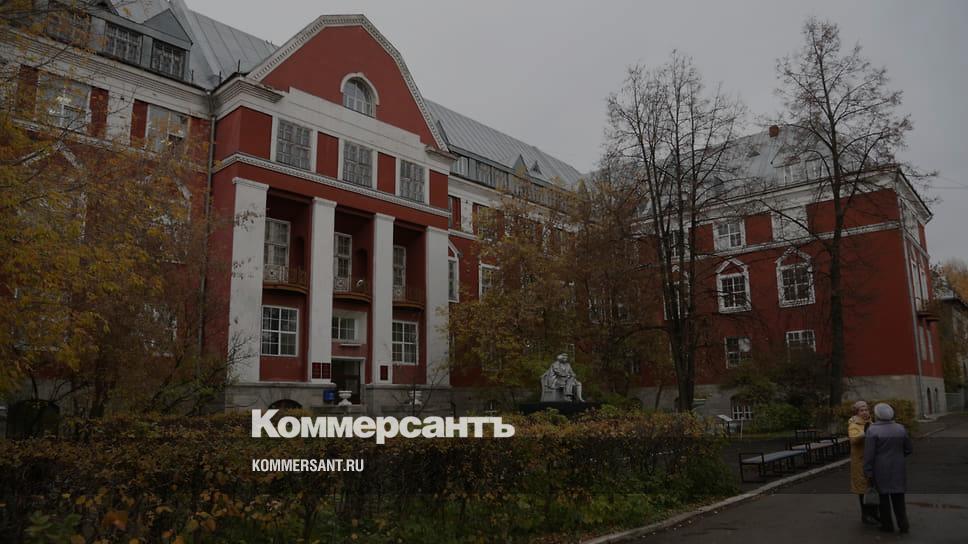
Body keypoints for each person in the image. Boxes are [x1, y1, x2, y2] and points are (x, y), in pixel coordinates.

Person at [863, 402, 913, 534]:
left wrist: (867, 471)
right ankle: (903, 524)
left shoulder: (872, 430)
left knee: (883, 498)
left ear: (877, 415)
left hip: (880, 468)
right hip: (898, 467)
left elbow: (869, 454)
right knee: (899, 497)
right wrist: (899, 456)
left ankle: (887, 525)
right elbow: (908, 449)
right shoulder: (900, 428)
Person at [848, 400, 879, 525]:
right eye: (862, 410)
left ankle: (874, 513)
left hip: (872, 461)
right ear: (857, 412)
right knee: (863, 489)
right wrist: (864, 433)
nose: (865, 412)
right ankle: (866, 515)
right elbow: (853, 440)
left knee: (873, 487)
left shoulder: (871, 422)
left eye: (866, 409)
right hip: (860, 462)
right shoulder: (853, 424)